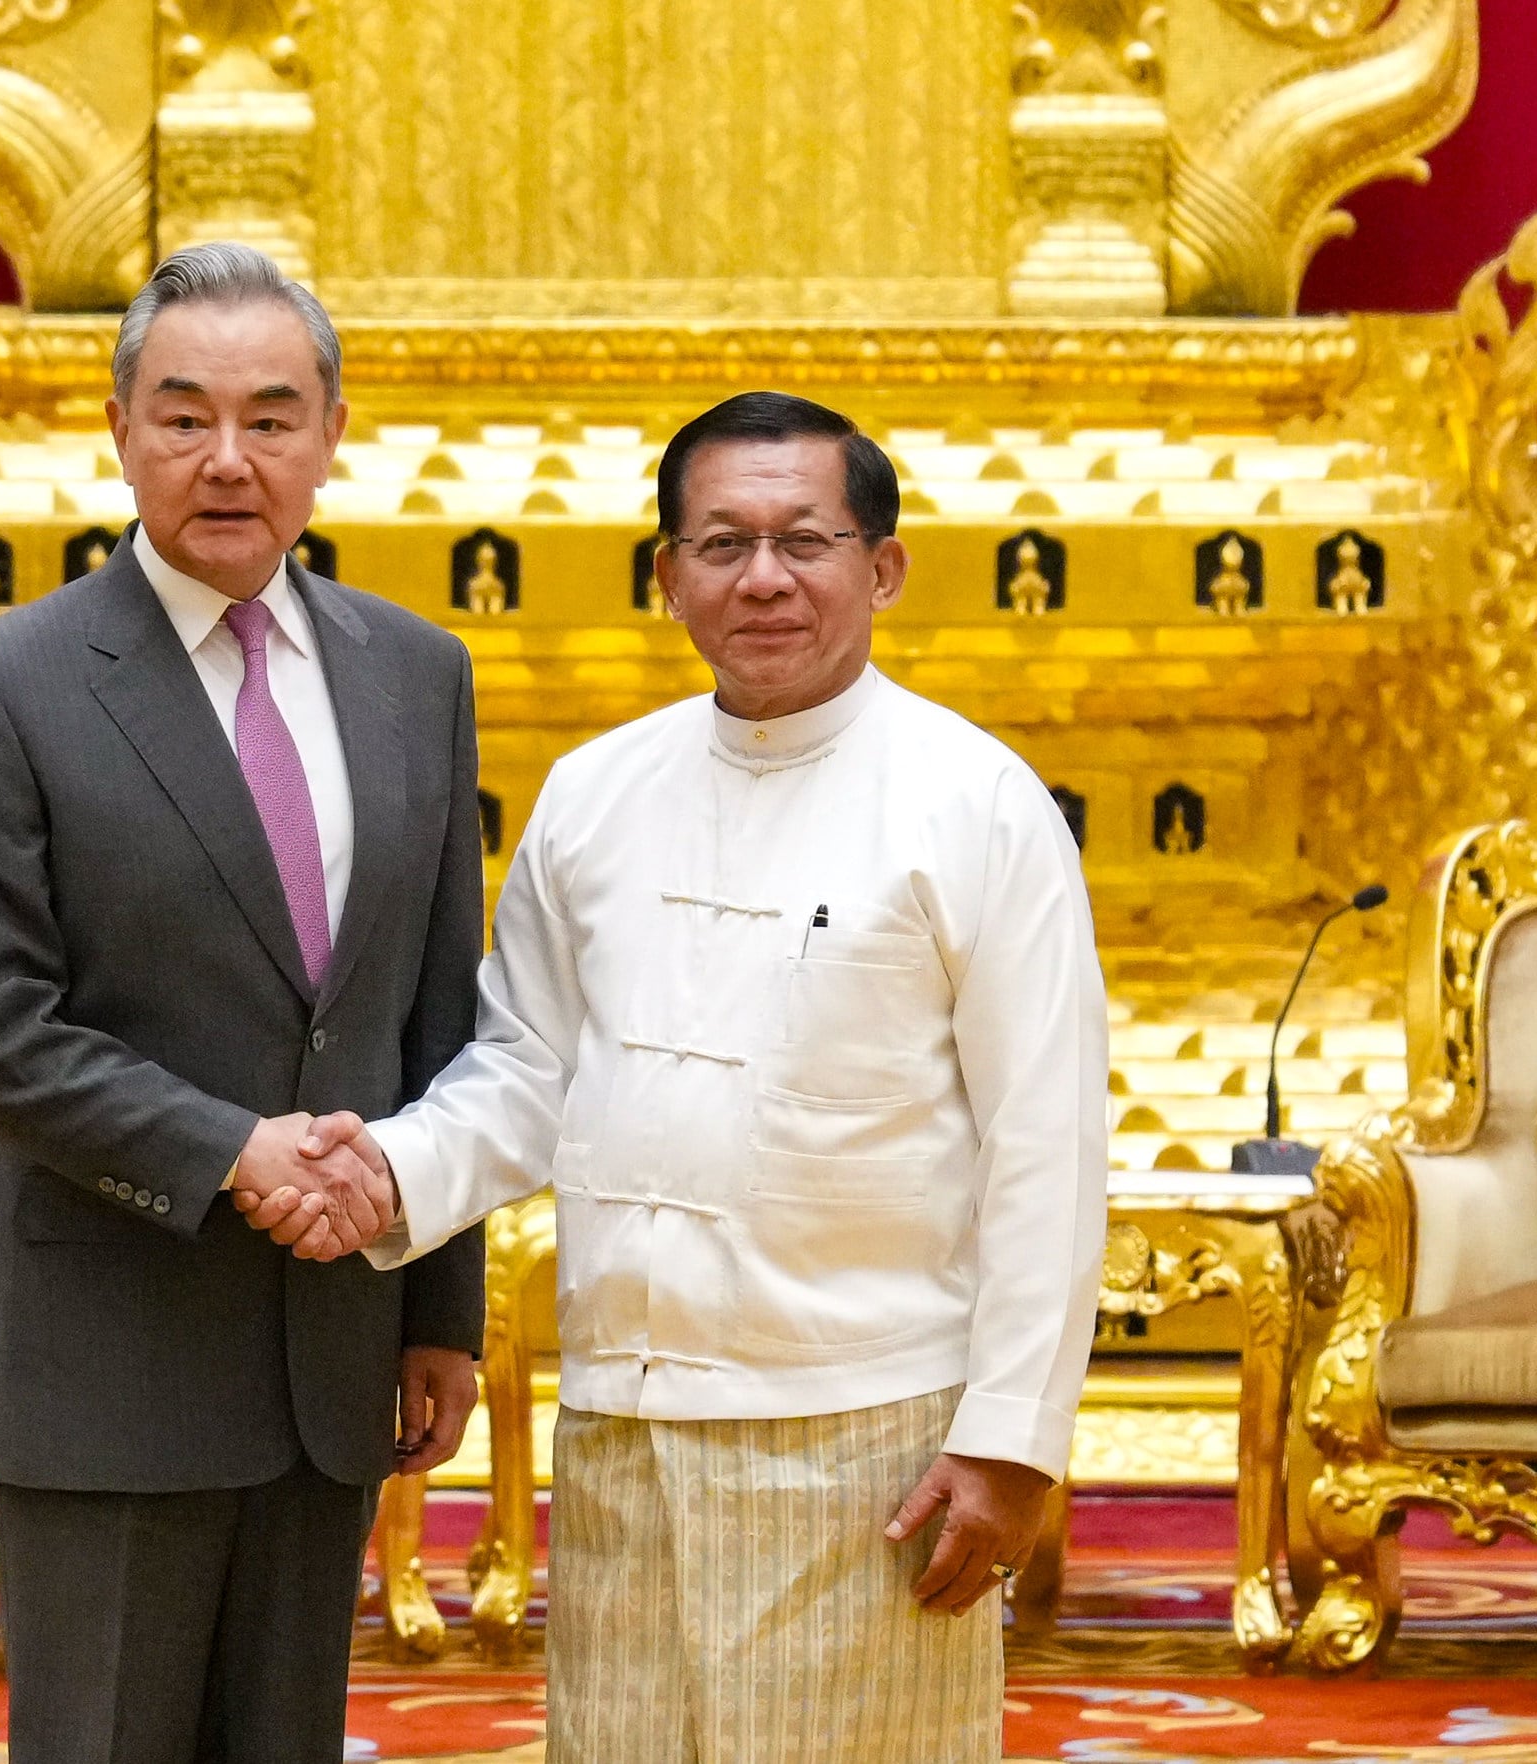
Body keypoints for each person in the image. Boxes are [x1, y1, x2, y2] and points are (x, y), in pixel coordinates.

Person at [250, 390, 1108, 1762]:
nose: (761, 577)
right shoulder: (593, 794)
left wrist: (1010, 1441)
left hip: (866, 1430)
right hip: (626, 1423)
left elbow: (1046, 1145)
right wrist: (382, 1175)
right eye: (719, 544)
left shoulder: (975, 799)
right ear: (666, 578)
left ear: (879, 569)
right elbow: (524, 1068)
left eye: (803, 541)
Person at [0, 241, 487, 1764]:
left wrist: (437, 1307)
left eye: (271, 416)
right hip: (111, 1333)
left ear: (331, 433)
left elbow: (435, 1022)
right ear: (118, 430)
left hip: (332, 1333)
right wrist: (236, 1151)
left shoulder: (414, 673)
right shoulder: (2, 684)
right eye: (183, 416)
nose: (229, 460)